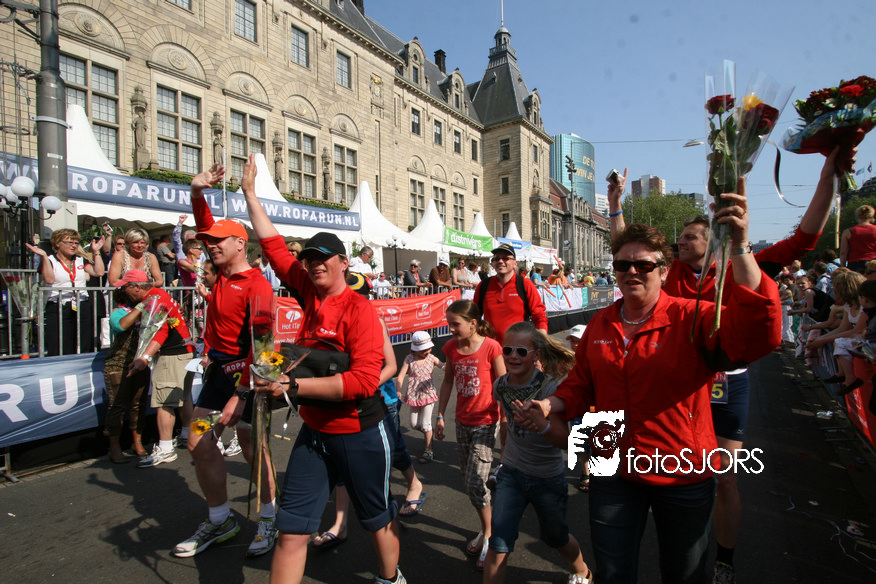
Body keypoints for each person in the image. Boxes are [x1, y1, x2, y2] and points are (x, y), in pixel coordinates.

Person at [606, 148, 846, 584]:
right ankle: (674, 543)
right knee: (671, 473)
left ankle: (724, 560)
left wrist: (828, 173)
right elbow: (628, 252)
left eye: (689, 237)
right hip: (687, 389)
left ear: (713, 241)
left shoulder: (742, 263)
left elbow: (806, 238)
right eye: (679, 239)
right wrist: (616, 205)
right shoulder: (671, 273)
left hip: (730, 386)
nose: (681, 242)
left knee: (727, 480)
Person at [520, 204, 781, 583]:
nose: (631, 272)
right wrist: (549, 403)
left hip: (680, 470)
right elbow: (581, 384)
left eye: (643, 265)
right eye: (622, 265)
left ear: (664, 271)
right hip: (612, 467)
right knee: (612, 573)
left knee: (684, 574)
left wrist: (740, 246)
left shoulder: (693, 316)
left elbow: (760, 332)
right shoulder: (600, 323)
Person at [240, 155, 405, 584]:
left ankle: (391, 578)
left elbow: (364, 381)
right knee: (292, 530)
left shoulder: (359, 310)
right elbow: (274, 247)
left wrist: (292, 386)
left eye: (323, 258)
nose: (314, 264)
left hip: (358, 432)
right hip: (315, 432)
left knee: (378, 520)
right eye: (310, 258)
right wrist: (251, 194)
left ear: (343, 263)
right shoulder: (308, 292)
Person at [172, 163, 278, 560]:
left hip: (248, 379)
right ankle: (220, 520)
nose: (211, 245)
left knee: (253, 448)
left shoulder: (257, 285)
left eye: (219, 241)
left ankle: (270, 517)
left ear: (240, 244)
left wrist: (242, 393)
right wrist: (197, 191)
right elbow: (204, 225)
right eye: (209, 241)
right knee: (197, 440)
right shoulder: (221, 275)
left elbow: (265, 348)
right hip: (219, 375)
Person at [483, 321, 592, 584]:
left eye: (521, 351)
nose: (513, 356)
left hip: (547, 478)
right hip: (511, 474)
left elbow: (566, 442)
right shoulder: (500, 386)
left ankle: (581, 570)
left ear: (536, 355)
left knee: (556, 537)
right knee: (498, 543)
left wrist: (541, 424)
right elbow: (507, 421)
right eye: (508, 350)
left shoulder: (550, 388)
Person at [435, 299, 506, 571]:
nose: (451, 329)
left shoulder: (491, 347)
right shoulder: (450, 348)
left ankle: (490, 534)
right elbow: (447, 382)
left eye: (455, 324)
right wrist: (440, 415)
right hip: (462, 422)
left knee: (476, 482)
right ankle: (486, 527)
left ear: (473, 323)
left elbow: (503, 384)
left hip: (486, 423)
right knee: (469, 482)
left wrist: (507, 419)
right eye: (449, 323)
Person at [117, 270, 194, 469]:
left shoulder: (155, 300)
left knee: (164, 402)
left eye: (125, 287)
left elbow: (160, 331)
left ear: (136, 286)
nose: (124, 291)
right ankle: (186, 435)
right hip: (184, 352)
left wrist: (144, 357)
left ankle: (166, 449)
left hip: (172, 355)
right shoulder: (159, 295)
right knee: (183, 396)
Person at [27, 229, 105, 356]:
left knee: (84, 342)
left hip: (81, 304)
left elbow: (99, 272)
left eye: (76, 243)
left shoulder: (80, 260)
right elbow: (49, 279)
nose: (74, 246)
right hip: (58, 305)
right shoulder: (50, 260)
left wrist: (96, 252)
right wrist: (44, 257)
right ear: (58, 243)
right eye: (70, 243)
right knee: (61, 344)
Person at [103, 286, 150, 462]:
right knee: (117, 406)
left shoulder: (146, 313)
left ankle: (137, 442)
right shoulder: (118, 313)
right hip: (118, 364)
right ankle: (114, 447)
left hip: (140, 363)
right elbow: (121, 326)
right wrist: (140, 307)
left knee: (139, 405)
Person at [805, 269, 868, 394]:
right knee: (839, 341)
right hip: (858, 340)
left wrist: (823, 340)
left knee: (840, 341)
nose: (832, 288)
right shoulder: (848, 305)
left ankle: (849, 379)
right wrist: (820, 339)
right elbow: (843, 328)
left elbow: (856, 331)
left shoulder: (864, 307)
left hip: (866, 341)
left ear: (846, 289)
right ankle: (842, 374)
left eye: (836, 286)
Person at [474, 243, 548, 346]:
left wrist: (542, 342)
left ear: (515, 263)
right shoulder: (484, 285)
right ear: (493, 263)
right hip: (490, 349)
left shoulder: (525, 284)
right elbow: (474, 316)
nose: (500, 261)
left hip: (517, 349)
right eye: (497, 258)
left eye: (506, 258)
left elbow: (539, 315)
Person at [397, 330, 445, 464]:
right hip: (414, 395)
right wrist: (398, 390)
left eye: (429, 348)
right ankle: (428, 431)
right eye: (424, 349)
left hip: (428, 393)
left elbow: (443, 366)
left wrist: (450, 369)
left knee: (425, 423)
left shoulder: (431, 358)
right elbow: (401, 375)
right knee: (414, 424)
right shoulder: (409, 359)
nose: (427, 351)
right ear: (415, 349)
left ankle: (428, 449)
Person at [841, 205, 876, 273]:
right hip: (873, 263)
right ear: (871, 216)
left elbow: (843, 253)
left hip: (855, 264)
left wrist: (843, 268)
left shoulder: (848, 232)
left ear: (858, 216)